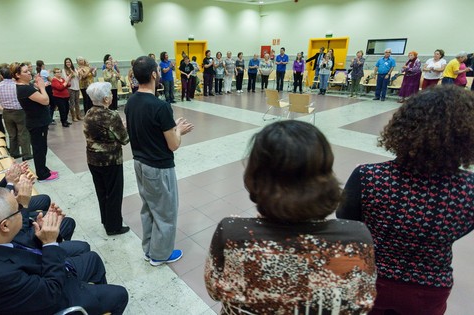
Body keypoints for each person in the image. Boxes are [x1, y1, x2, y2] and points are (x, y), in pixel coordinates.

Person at [205, 120, 377, 314]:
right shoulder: (356, 238)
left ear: (254, 177)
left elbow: (214, 289)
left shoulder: (232, 233)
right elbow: (362, 302)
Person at [337, 85, 474, 315]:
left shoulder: (370, 175)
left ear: (402, 127)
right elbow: (461, 229)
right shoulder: (469, 189)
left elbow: (346, 218)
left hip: (371, 275)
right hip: (429, 286)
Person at [0, 188, 128, 314]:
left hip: (36, 280)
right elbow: (51, 291)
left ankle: (93, 298)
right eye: (19, 209)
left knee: (92, 259)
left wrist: (42, 234)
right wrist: (50, 243)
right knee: (120, 294)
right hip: (50, 297)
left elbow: (19, 246)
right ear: (5, 225)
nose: (24, 213)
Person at [125, 56, 194, 266]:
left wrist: (169, 126)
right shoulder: (160, 106)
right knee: (165, 211)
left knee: (148, 208)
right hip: (158, 167)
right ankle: (160, 255)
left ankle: (149, 249)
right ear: (155, 74)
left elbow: (148, 128)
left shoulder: (131, 101)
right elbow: (173, 144)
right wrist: (178, 130)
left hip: (140, 163)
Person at [83, 82, 130, 236]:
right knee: (114, 193)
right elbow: (124, 139)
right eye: (109, 93)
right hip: (110, 160)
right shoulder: (112, 115)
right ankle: (114, 226)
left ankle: (106, 220)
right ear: (105, 99)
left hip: (93, 158)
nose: (111, 95)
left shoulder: (89, 112)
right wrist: (123, 127)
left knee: (101, 191)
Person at [11, 62, 58, 182]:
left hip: (39, 121)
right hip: (37, 123)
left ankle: (44, 169)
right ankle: (42, 175)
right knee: (39, 149)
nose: (29, 73)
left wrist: (38, 87)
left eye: (28, 70)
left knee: (42, 147)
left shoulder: (26, 86)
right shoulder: (25, 88)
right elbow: (45, 101)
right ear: (17, 75)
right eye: (25, 72)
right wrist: (42, 87)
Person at [0, 64, 32, 160]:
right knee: (23, 133)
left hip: (6, 112)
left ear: (1, 76)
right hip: (19, 111)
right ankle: (26, 154)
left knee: (12, 134)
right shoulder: (16, 85)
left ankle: (14, 152)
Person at [63, 57, 82, 121]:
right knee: (72, 103)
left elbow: (78, 79)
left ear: (71, 63)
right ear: (65, 63)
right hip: (71, 88)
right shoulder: (64, 70)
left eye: (69, 62)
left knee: (77, 102)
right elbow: (66, 80)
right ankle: (74, 117)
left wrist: (79, 74)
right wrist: (71, 74)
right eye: (67, 62)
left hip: (77, 87)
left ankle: (78, 115)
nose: (68, 63)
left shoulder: (75, 69)